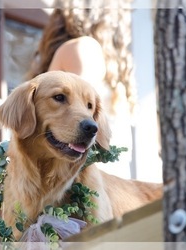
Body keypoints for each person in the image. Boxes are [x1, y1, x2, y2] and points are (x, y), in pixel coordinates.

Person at [27, 0, 136, 179]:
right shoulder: (104, 63)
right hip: (106, 187)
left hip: (83, 188)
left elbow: (76, 127)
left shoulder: (82, 48)